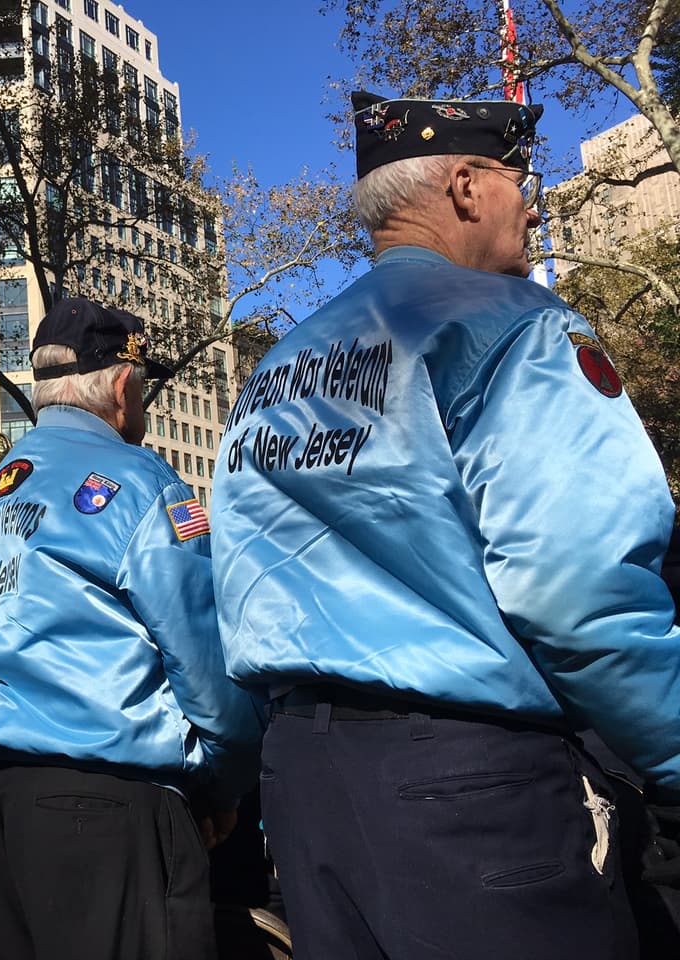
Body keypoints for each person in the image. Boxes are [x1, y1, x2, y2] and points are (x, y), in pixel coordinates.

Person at [211, 90, 680, 960]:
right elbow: (580, 585)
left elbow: (237, 584)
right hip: (472, 788)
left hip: (308, 786)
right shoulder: (514, 324)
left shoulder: (272, 371)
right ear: (466, 186)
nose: (530, 202)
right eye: (518, 178)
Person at [0, 297, 265, 960]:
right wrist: (225, 785)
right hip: (110, 810)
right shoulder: (141, 483)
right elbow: (204, 660)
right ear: (122, 384)